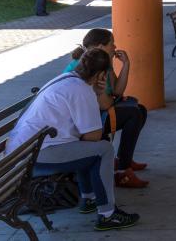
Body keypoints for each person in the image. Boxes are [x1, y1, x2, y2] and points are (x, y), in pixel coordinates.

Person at [6, 48, 140, 231]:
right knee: (104, 149)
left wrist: (97, 93)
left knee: (87, 148)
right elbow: (93, 137)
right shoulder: (81, 90)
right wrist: (98, 94)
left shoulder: (68, 79)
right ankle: (108, 215)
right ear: (101, 74)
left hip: (26, 148)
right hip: (35, 154)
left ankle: (90, 198)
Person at [64, 28, 149, 188]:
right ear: (100, 46)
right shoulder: (86, 66)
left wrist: (126, 64)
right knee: (134, 114)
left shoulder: (101, 63)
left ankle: (124, 159)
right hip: (83, 125)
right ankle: (123, 171)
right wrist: (112, 98)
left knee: (141, 110)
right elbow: (105, 103)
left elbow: (117, 91)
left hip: (93, 116)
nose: (115, 47)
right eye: (112, 44)